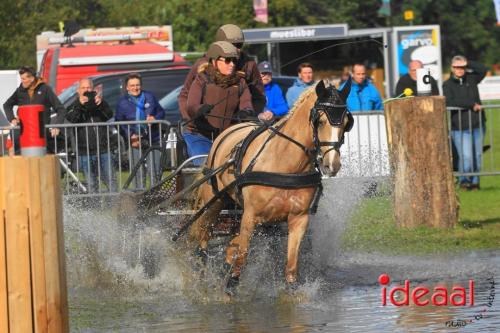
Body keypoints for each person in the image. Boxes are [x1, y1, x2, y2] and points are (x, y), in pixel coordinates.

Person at [184, 41, 253, 165]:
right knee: (204, 164)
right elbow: (191, 106)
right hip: (199, 135)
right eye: (227, 60)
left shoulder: (240, 82)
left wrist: (246, 112)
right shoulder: (202, 79)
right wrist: (200, 109)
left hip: (227, 136)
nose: (232, 64)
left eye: (234, 60)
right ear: (215, 61)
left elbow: (246, 102)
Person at [178, 24, 265, 120]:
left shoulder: (249, 64)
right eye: (231, 45)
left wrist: (248, 115)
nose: (236, 49)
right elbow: (185, 95)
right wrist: (188, 118)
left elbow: (259, 97)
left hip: (237, 125)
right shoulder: (202, 64)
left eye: (239, 45)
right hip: (203, 124)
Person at [443, 55, 487, 190]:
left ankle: (475, 182)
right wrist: (471, 104)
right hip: (460, 127)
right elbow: (450, 101)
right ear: (452, 68)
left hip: (477, 123)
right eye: (457, 67)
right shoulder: (447, 84)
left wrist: (468, 61)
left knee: (477, 156)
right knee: (466, 157)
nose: (460, 69)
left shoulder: (472, 78)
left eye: (462, 67)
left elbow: (483, 69)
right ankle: (464, 181)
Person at [115, 73, 165, 189]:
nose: (135, 88)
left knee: (155, 170)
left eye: (137, 85)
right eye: (132, 85)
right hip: (135, 142)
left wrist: (155, 118)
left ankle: (156, 195)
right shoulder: (122, 102)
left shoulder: (150, 96)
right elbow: (118, 123)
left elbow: (161, 112)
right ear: (127, 87)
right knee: (138, 172)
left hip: (153, 139)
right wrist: (130, 136)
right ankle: (139, 199)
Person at [66, 78, 116, 193]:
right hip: (85, 151)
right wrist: (80, 104)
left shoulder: (101, 101)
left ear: (93, 89)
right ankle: (95, 209)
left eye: (88, 87)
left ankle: (114, 207)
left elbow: (109, 115)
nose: (86, 90)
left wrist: (101, 104)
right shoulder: (74, 104)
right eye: (83, 88)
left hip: (104, 148)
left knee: (110, 180)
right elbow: (72, 118)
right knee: (91, 182)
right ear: (78, 90)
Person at [3, 66, 65, 152]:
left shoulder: (45, 89)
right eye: (21, 78)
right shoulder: (20, 91)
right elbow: (7, 105)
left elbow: (60, 109)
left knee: (40, 161)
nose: (22, 81)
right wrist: (12, 118)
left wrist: (57, 127)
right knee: (22, 160)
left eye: (24, 79)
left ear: (32, 78)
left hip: (41, 134)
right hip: (22, 134)